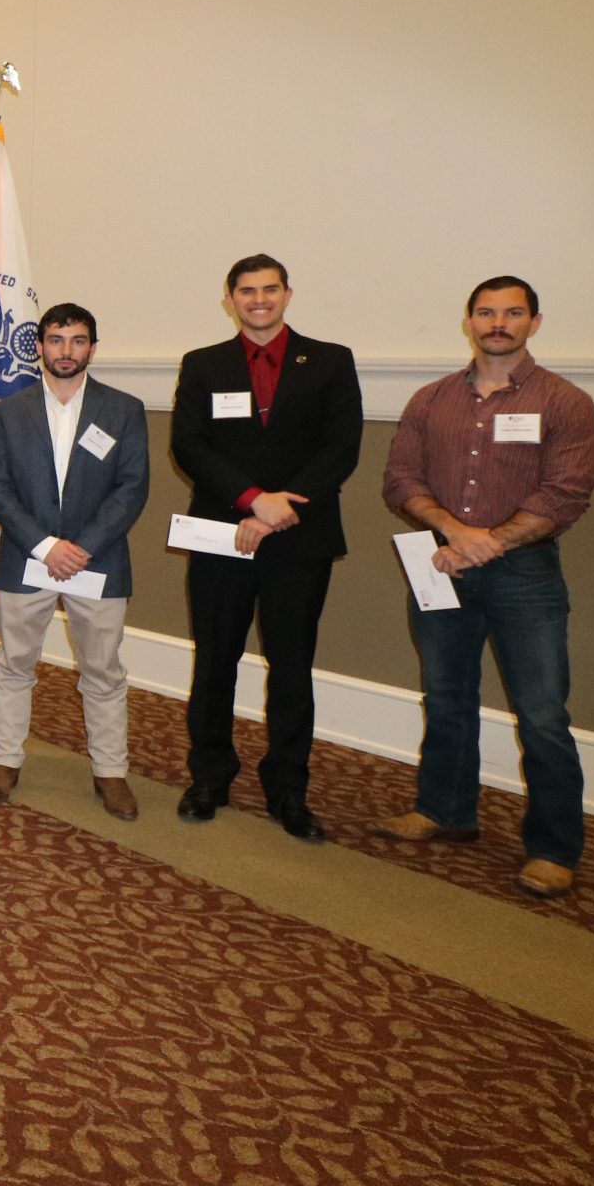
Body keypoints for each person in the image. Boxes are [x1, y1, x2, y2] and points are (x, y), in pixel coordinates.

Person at [376, 276, 594, 898]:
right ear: (468, 321)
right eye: (485, 312)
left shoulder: (565, 402)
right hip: (442, 564)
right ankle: (445, 811)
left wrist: (491, 543)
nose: (497, 322)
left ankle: (554, 848)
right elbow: (401, 479)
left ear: (534, 322)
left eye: (512, 313)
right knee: (446, 696)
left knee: (543, 715)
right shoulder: (430, 400)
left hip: (525, 575)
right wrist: (453, 531)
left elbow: (567, 493)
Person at [168, 254, 363, 841]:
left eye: (269, 289)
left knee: (292, 667)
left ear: (288, 294)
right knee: (215, 660)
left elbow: (341, 447)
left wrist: (281, 507)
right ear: (230, 299)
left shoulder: (330, 361)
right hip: (222, 533)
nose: (259, 299)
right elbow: (190, 446)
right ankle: (210, 776)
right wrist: (253, 500)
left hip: (299, 539)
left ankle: (288, 788)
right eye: (246, 291)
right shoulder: (203, 365)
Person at [0, 303, 151, 818]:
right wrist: (44, 546)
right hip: (26, 559)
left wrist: (82, 547)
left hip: (98, 562)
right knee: (14, 664)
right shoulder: (9, 412)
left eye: (77, 341)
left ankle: (110, 772)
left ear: (92, 348)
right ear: (39, 346)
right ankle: (5, 761)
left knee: (103, 670)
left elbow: (132, 487)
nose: (66, 351)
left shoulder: (123, 410)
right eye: (56, 340)